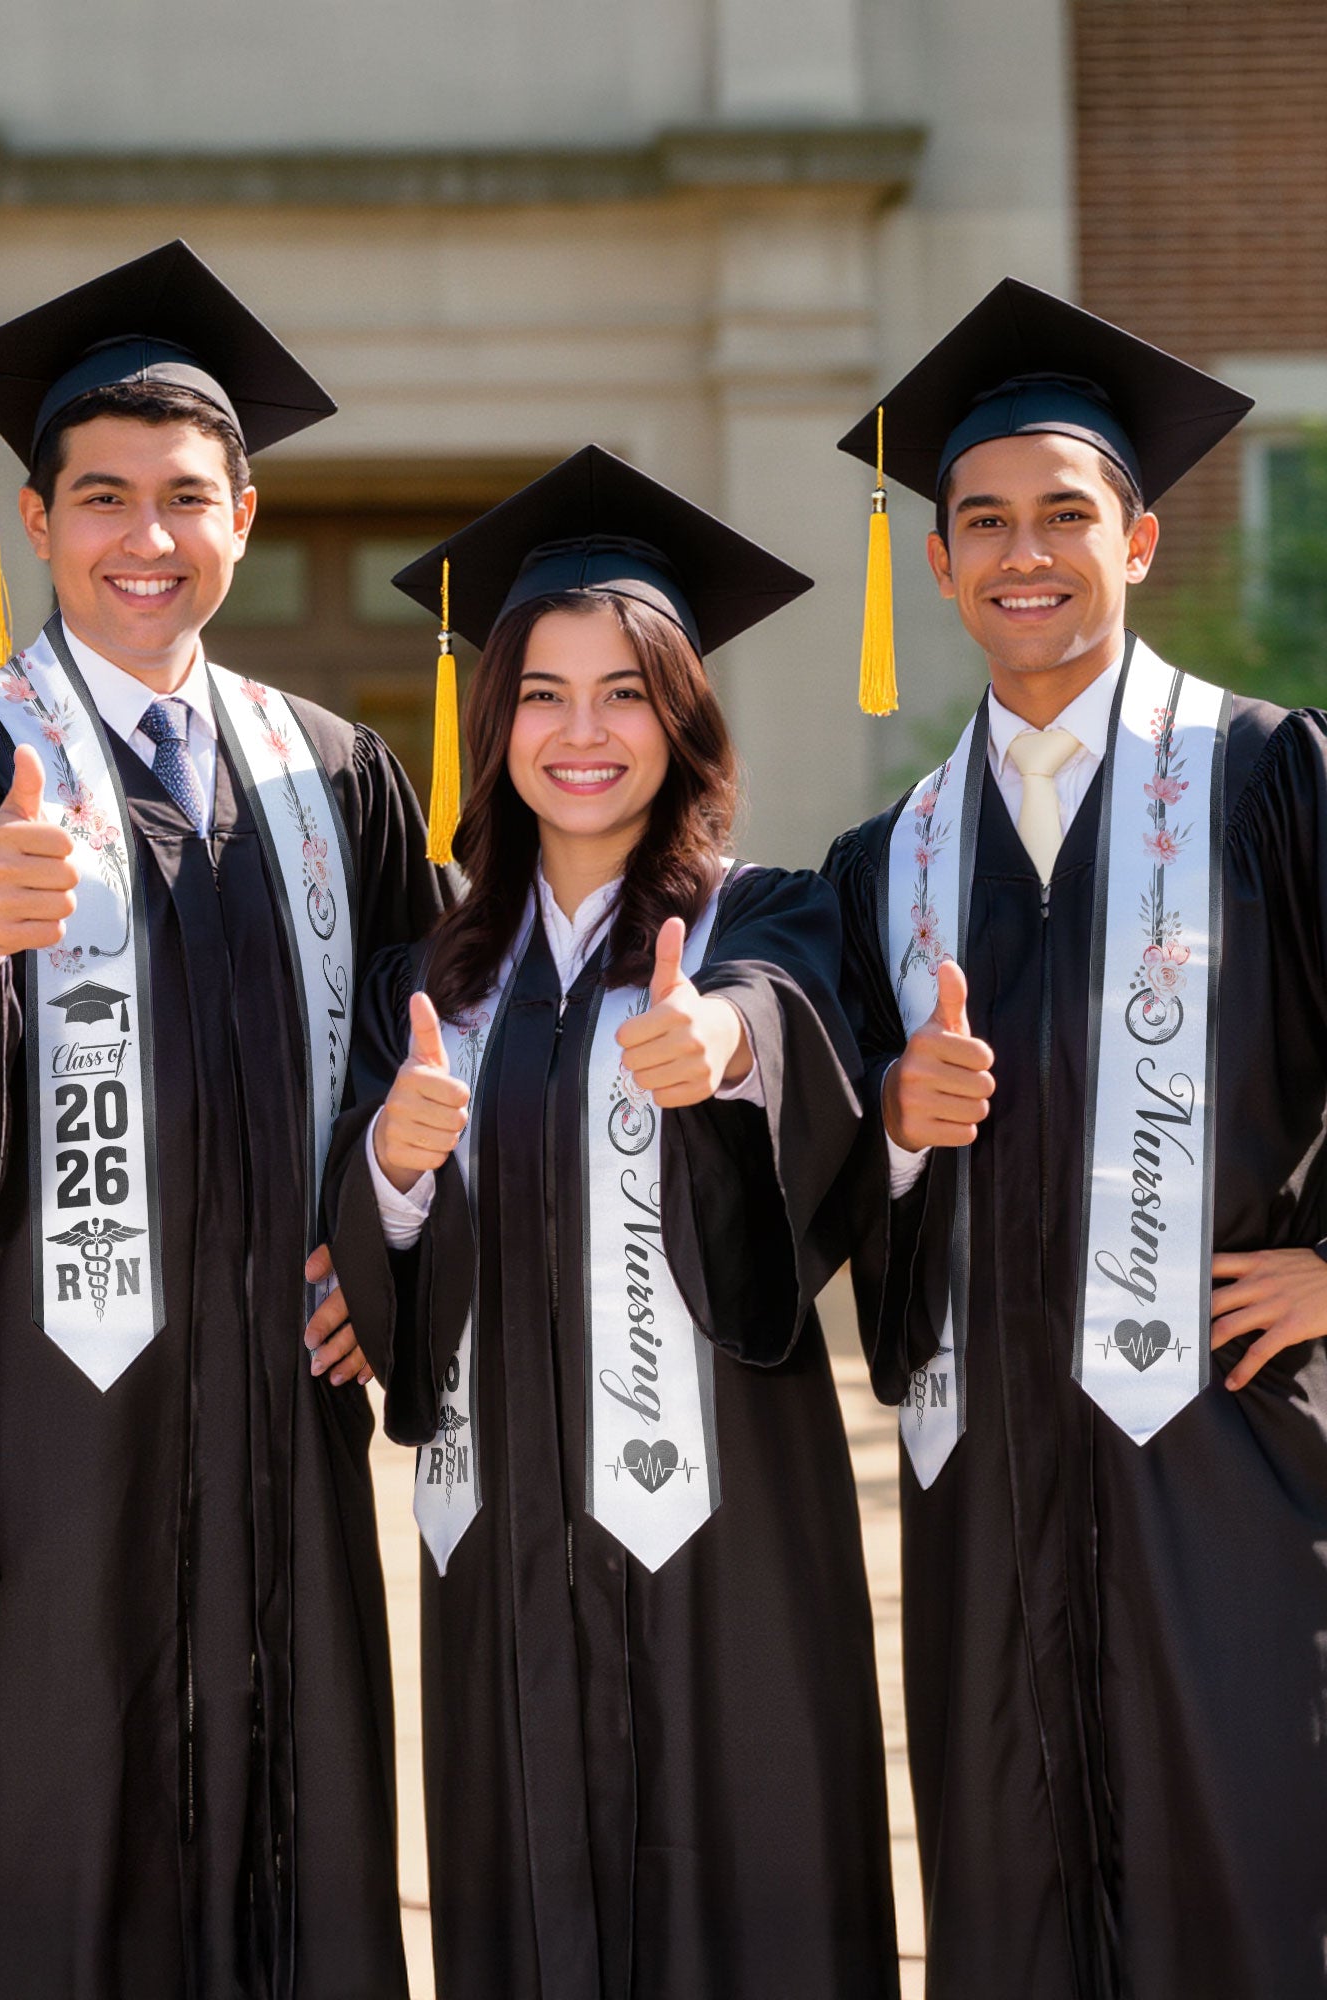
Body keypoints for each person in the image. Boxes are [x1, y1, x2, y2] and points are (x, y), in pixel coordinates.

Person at [0, 241, 449, 1998]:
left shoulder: (336, 772)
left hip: (284, 1401)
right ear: (37, 521)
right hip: (56, 1421)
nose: (146, 538)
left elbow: (441, 1044)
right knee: (60, 1830)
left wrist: (390, 1250)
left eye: (187, 498)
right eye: (103, 498)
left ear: (245, 514)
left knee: (302, 1813)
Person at [325, 446, 898, 1998]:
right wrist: (388, 1159)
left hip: (728, 1532)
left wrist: (724, 1049)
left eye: (627, 692)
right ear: (493, 720)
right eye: (543, 694)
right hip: (501, 1524)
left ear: (684, 717)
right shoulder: (429, 977)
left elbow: (791, 1027)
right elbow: (375, 1248)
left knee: (750, 1891)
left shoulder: (764, 915)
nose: (584, 734)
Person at [824, 279, 1327, 1999]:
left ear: (1141, 538)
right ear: (943, 562)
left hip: (1230, 1452)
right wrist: (889, 1125)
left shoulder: (1272, 781)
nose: (1021, 552)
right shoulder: (885, 861)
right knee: (1009, 1890)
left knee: (1247, 1871)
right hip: (987, 1479)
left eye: (1064, 515)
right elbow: (822, 1178)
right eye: (982, 522)